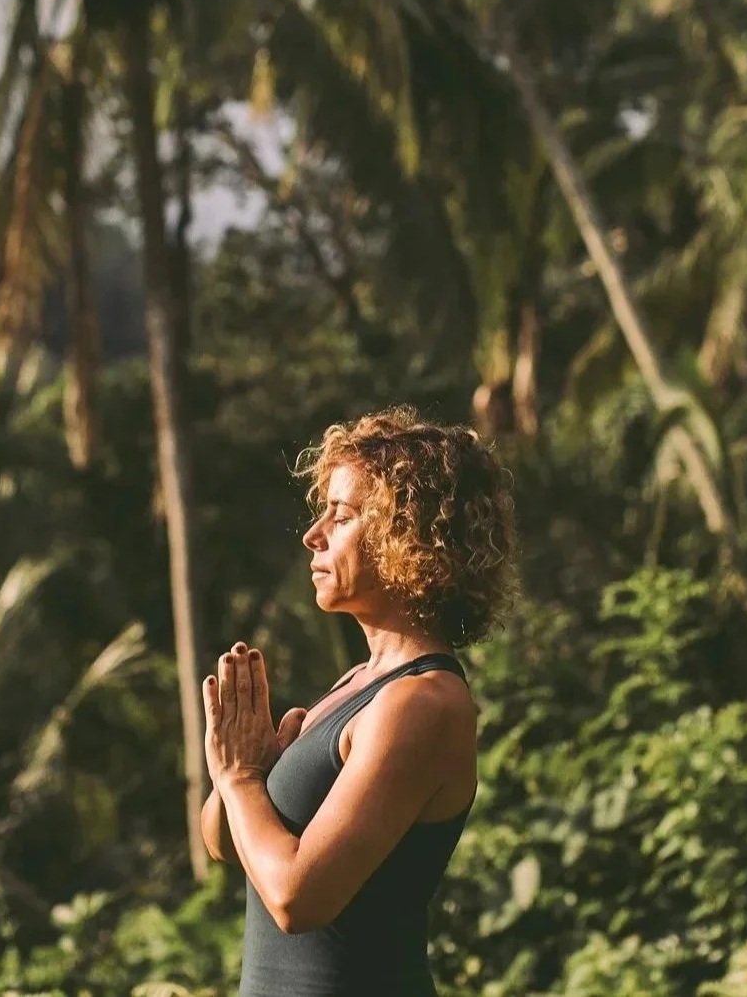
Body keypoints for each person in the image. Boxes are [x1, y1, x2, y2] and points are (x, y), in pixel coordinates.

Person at [199, 407, 520, 996]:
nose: (312, 535)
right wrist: (244, 774)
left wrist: (242, 778)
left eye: (341, 517)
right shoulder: (355, 686)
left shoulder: (423, 703)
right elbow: (224, 845)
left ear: (409, 538)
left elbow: (297, 899)